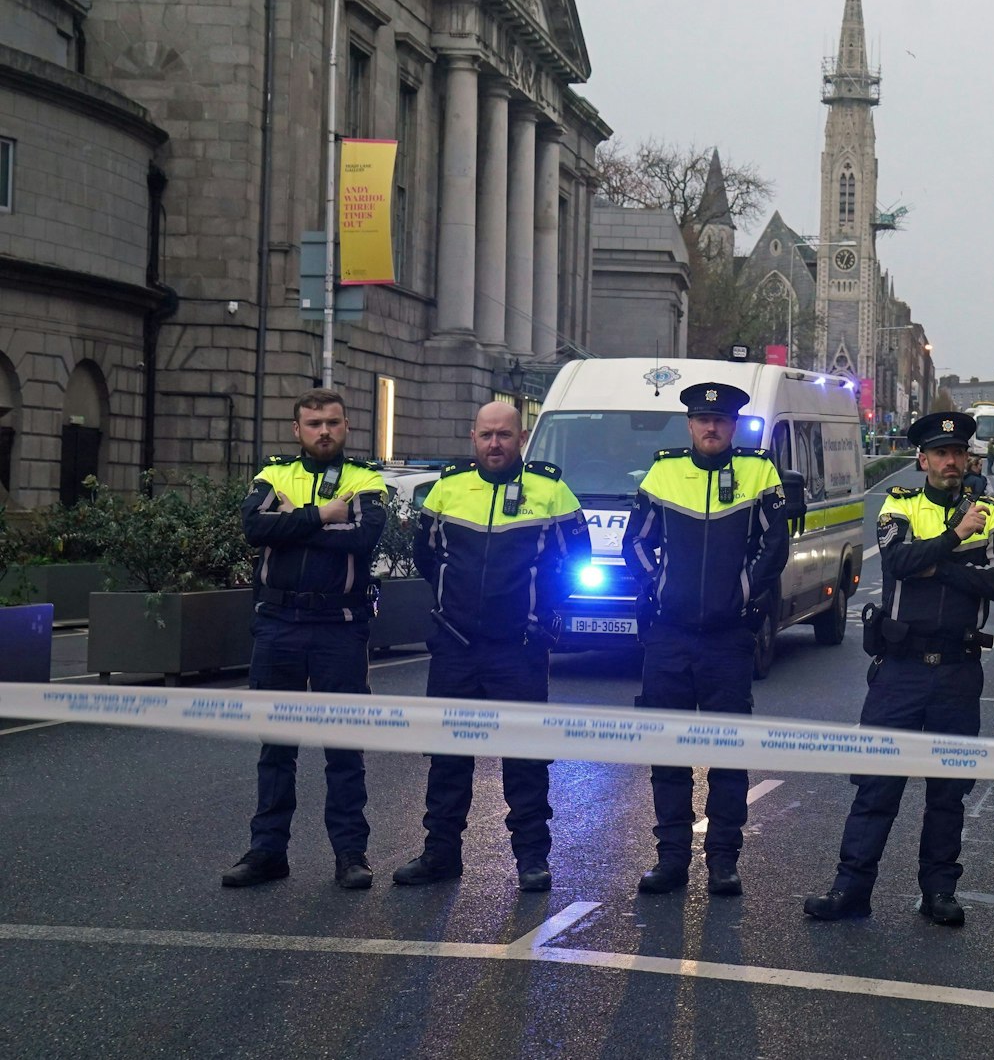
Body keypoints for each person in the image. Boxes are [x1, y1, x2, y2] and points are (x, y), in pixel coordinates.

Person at [805, 411, 994, 927]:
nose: (949, 461)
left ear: (967, 458)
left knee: (948, 790)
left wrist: (933, 564)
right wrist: (957, 542)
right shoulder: (900, 505)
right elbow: (896, 563)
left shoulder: (991, 512)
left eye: (957, 453)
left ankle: (939, 892)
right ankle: (851, 889)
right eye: (940, 454)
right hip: (899, 671)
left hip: (958, 672)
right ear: (922, 461)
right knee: (876, 786)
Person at [389, 403, 587, 893]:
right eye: (485, 435)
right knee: (447, 756)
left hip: (518, 649)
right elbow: (427, 555)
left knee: (524, 757)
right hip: (456, 647)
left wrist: (541, 618)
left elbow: (576, 558)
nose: (494, 444)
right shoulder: (448, 488)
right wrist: (447, 610)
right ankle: (440, 855)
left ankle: (531, 860)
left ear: (521, 436)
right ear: (471, 436)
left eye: (503, 435)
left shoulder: (551, 490)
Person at [622, 382, 790, 897]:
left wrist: (740, 595)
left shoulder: (759, 472)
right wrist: (661, 587)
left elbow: (774, 545)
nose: (710, 427)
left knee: (728, 753)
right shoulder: (663, 471)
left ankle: (723, 861)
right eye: (701, 419)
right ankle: (671, 859)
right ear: (690, 425)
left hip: (726, 640)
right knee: (667, 751)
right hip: (668, 638)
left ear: (733, 425)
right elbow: (635, 543)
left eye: (719, 419)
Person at [224, 388, 388, 890]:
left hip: (339, 626)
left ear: (346, 427)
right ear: (297, 430)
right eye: (314, 423)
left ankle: (350, 855)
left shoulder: (366, 479)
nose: (324, 432)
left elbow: (362, 538)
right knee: (276, 747)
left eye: (333, 423)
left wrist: (291, 522)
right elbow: (254, 527)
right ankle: (267, 852)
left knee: (343, 746)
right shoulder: (274, 474)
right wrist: (323, 515)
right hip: (278, 625)